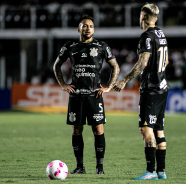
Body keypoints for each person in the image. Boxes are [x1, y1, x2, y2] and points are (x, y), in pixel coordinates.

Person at [53, 15, 120, 175]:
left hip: (94, 95)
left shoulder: (102, 46)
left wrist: (109, 87)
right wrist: (63, 84)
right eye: (84, 26)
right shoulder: (70, 46)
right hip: (76, 96)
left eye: (90, 26)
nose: (87, 28)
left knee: (98, 129)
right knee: (77, 130)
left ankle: (100, 168)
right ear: (79, 29)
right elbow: (57, 65)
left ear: (94, 29)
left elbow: (115, 66)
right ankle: (80, 167)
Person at [113, 3, 169, 180]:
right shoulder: (161, 34)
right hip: (162, 87)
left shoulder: (146, 36)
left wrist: (124, 80)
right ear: (156, 18)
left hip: (151, 89)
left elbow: (143, 63)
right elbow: (165, 62)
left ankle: (151, 171)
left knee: (146, 128)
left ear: (143, 17)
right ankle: (161, 171)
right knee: (159, 129)